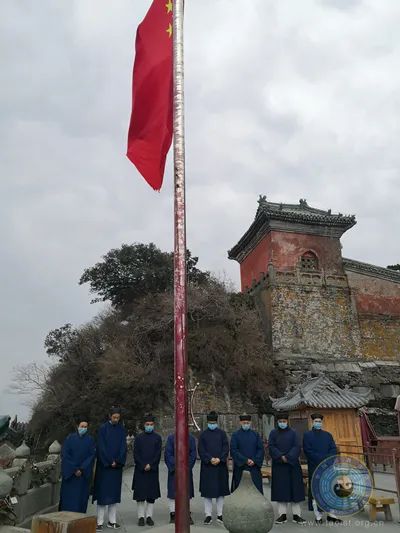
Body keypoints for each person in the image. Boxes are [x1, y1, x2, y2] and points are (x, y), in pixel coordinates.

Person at [303, 413, 341, 524]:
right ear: (312, 422)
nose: (318, 423)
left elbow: (333, 449)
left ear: (322, 422)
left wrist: (326, 459)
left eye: (320, 421)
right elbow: (307, 451)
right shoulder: (307, 435)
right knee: (317, 491)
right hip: (315, 466)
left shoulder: (328, 435)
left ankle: (332, 515)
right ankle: (318, 516)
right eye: (316, 421)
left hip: (328, 467)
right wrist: (321, 459)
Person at [268, 413, 306, 525]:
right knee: (281, 491)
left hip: (292, 465)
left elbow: (297, 446)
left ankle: (297, 515)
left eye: (284, 421)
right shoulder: (273, 433)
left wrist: (288, 457)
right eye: (280, 421)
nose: (282, 423)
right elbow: (271, 446)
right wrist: (280, 456)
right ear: (277, 422)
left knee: (295, 490)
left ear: (287, 421)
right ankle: (282, 515)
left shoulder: (294, 433)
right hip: (279, 465)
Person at [93, 407, 127, 531]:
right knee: (102, 496)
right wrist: (109, 461)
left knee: (113, 496)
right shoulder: (103, 429)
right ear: (110, 416)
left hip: (116, 468)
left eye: (118, 417)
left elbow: (123, 447)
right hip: (104, 468)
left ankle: (112, 521)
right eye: (114, 417)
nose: (116, 419)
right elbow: (101, 447)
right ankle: (99, 522)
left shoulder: (121, 429)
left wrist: (117, 461)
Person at [198, 411, 230, 525]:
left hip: (220, 467)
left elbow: (226, 448)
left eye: (214, 422)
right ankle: (208, 515)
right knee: (207, 493)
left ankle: (220, 514)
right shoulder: (203, 435)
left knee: (220, 492)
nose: (212, 424)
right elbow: (201, 450)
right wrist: (210, 459)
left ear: (216, 422)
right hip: (208, 467)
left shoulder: (222, 434)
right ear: (208, 422)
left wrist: (220, 459)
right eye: (210, 422)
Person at [59, 416, 96, 513]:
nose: (83, 428)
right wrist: (74, 469)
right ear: (77, 426)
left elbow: (91, 456)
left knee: (81, 499)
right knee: (68, 498)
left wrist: (82, 469)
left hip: (82, 475)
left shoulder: (90, 440)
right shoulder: (69, 438)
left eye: (85, 427)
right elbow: (65, 455)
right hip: (71, 475)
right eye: (82, 426)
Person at [132, 414, 162, 527]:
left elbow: (158, 454)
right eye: (147, 424)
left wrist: (151, 465)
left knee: (151, 495)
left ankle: (149, 516)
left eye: (151, 424)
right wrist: (143, 465)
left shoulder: (157, 438)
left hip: (152, 470)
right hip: (141, 470)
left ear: (154, 425)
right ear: (144, 425)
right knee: (140, 495)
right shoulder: (139, 438)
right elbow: (136, 454)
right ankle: (140, 517)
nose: (149, 426)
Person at [164, 431, 197, 524]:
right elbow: (168, 454)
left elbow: (193, 454)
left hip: (186, 470)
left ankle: (186, 513)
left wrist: (186, 466)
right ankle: (173, 513)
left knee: (187, 492)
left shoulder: (191, 438)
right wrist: (176, 465)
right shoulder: (171, 438)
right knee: (172, 492)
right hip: (174, 470)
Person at [230, 414, 265, 494]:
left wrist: (254, 460)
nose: (246, 424)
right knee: (240, 491)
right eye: (244, 423)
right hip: (241, 467)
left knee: (256, 490)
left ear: (250, 423)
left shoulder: (255, 435)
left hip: (254, 467)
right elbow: (234, 450)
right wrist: (245, 460)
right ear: (240, 423)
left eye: (247, 423)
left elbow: (260, 449)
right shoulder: (235, 435)